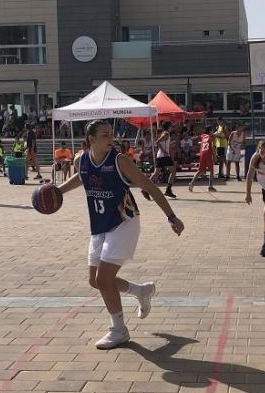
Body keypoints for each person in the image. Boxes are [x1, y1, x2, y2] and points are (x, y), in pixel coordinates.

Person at [58, 120, 184, 349]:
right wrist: (58, 191)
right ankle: (141, 290)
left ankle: (119, 330)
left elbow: (150, 187)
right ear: (91, 140)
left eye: (111, 134)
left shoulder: (120, 161)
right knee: (94, 281)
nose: (111, 139)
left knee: (103, 279)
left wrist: (171, 217)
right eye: (105, 135)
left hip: (124, 222)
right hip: (100, 225)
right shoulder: (81, 160)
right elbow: (81, 177)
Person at [145, 122, 177, 200]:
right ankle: (168, 189)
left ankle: (145, 190)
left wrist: (168, 146)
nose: (172, 128)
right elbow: (157, 142)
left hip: (160, 156)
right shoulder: (166, 133)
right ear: (168, 127)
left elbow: (159, 142)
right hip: (164, 156)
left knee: (156, 174)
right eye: (171, 126)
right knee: (173, 172)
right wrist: (164, 151)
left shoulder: (164, 133)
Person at [189, 126, 217, 192]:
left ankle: (192, 183)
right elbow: (213, 148)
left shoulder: (203, 136)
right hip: (208, 154)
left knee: (200, 170)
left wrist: (195, 140)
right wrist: (215, 157)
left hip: (202, 154)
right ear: (210, 131)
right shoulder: (211, 137)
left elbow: (194, 138)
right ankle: (210, 186)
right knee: (211, 171)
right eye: (212, 131)